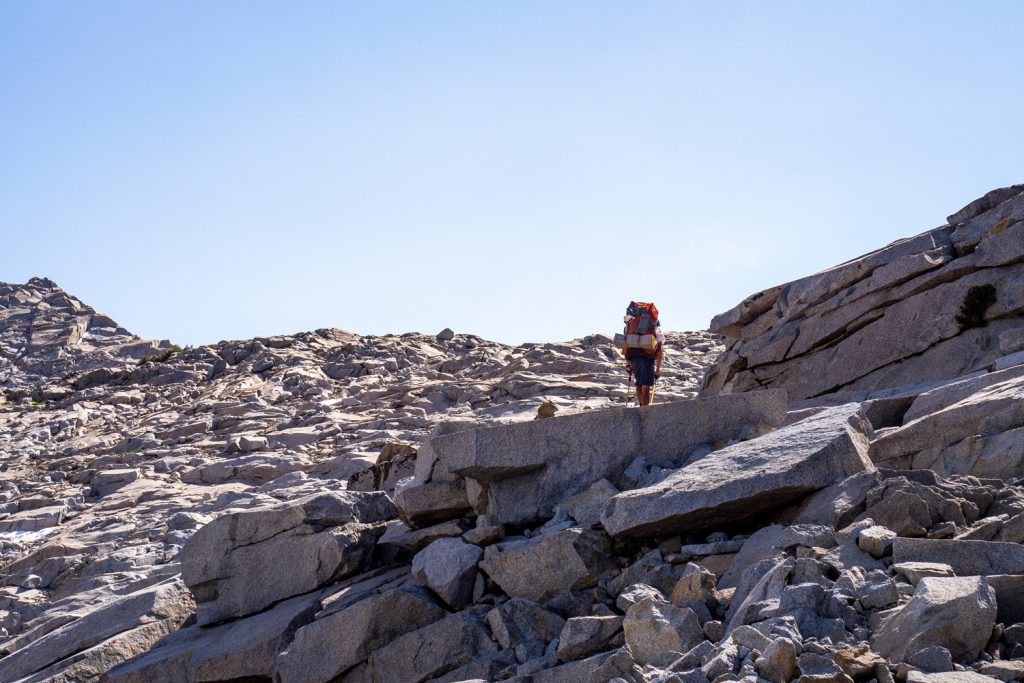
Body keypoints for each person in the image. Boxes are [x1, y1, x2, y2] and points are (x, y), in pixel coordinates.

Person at [621, 311, 664, 406]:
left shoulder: (630, 327)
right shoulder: (656, 329)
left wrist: (628, 363)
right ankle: (645, 410)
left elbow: (625, 345)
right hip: (647, 358)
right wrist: (657, 369)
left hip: (633, 357)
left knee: (638, 384)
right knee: (645, 386)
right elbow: (659, 351)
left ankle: (641, 406)